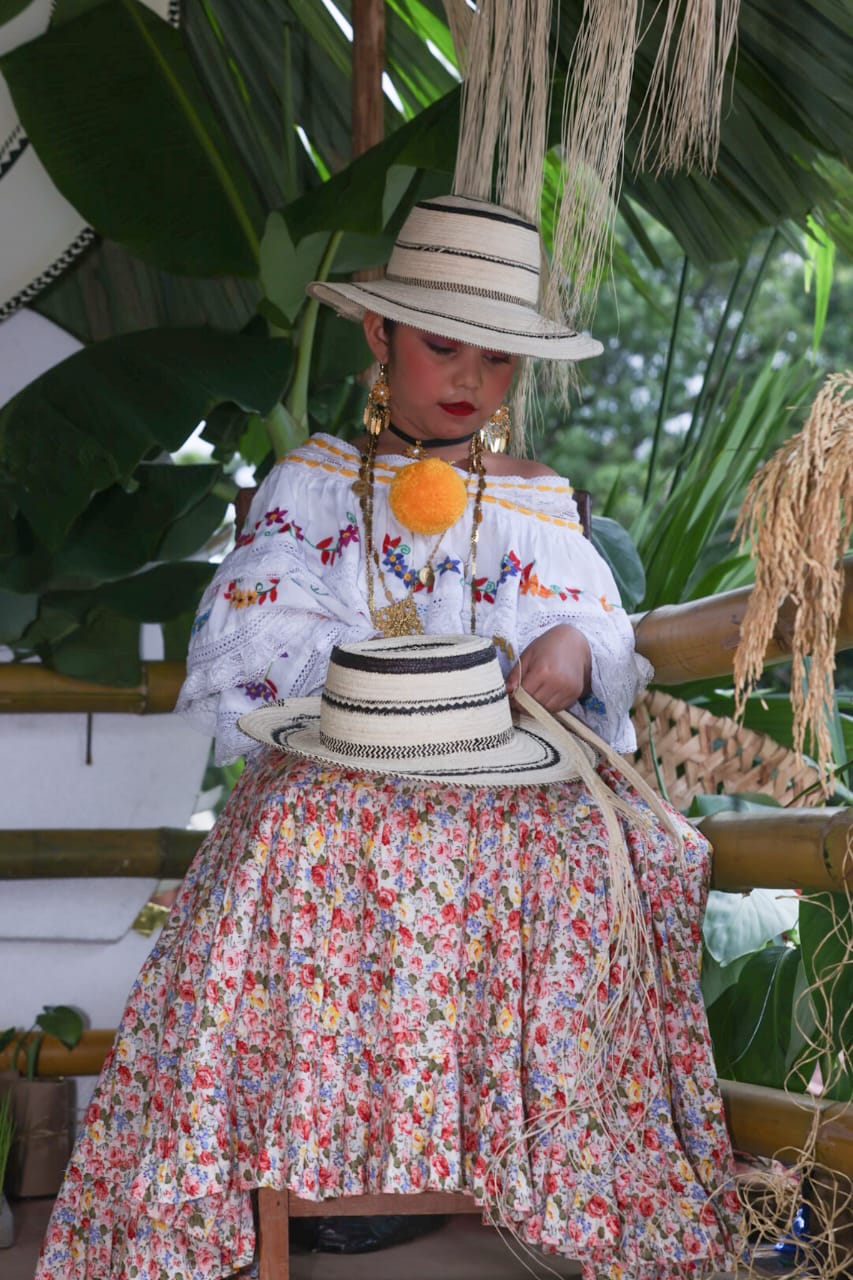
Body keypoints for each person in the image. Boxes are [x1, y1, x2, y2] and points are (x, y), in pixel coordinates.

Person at [36, 195, 742, 1280]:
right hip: (344, 763)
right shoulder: (315, 483)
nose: (467, 379)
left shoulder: (545, 502)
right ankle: (314, 1156)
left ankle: (541, 1156)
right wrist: (394, 664)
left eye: (497, 360)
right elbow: (253, 625)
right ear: (379, 334)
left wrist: (576, 644)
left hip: (514, 780)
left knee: (626, 853)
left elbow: (603, 620)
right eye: (441, 345)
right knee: (291, 839)